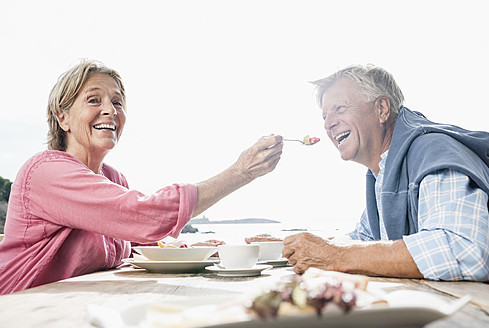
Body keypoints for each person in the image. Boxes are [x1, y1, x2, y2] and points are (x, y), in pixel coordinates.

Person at [0, 59, 283, 294]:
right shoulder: (45, 173)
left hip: (73, 308)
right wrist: (240, 172)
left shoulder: (113, 178)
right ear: (63, 119)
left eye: (118, 102)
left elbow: (140, 244)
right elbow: (144, 216)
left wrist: (193, 249)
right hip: (20, 309)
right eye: (93, 99)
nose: (110, 110)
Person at [253, 64, 489, 281]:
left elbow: (466, 249)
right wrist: (287, 246)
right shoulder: (384, 173)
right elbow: (362, 239)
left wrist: (336, 256)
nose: (328, 124)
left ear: (381, 109)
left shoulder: (433, 152)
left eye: (339, 109)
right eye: (325, 116)